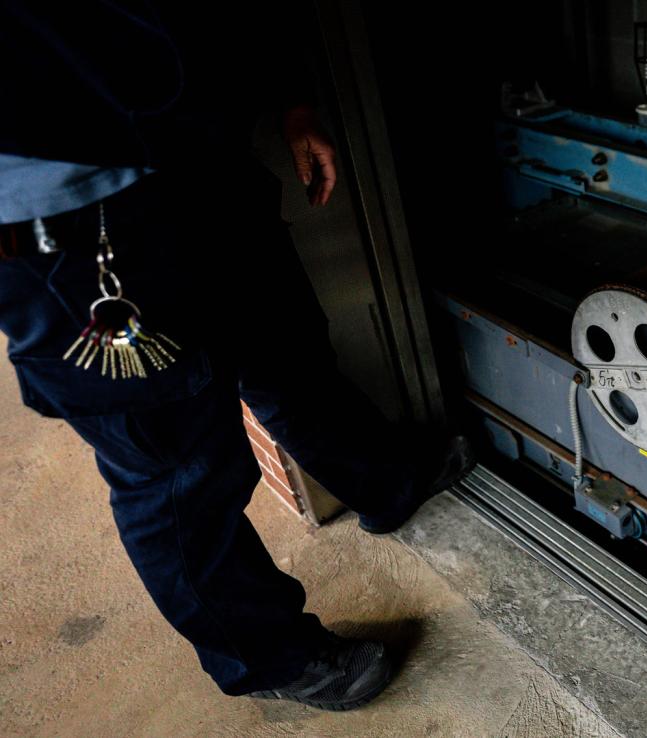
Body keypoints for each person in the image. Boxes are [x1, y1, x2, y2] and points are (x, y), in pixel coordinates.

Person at [0, 2, 473, 710]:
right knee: (176, 473)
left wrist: (291, 102)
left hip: (198, 157)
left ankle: (385, 480)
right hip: (65, 221)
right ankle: (271, 658)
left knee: (287, 351)